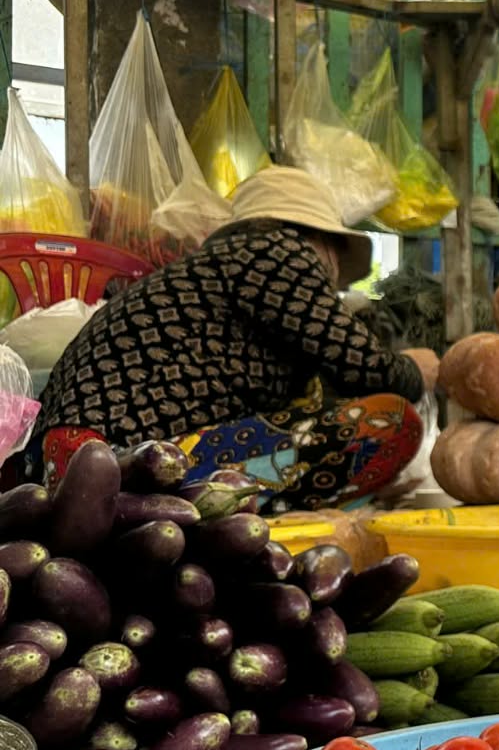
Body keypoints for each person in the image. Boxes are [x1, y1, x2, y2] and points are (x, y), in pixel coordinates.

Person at [25, 166, 438, 510]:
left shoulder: (225, 272)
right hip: (110, 462)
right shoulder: (278, 251)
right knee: (389, 423)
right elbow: (364, 369)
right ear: (321, 242)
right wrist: (415, 370)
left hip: (60, 464)